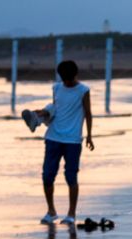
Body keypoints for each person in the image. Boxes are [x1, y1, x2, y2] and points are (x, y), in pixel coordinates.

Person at [21, 61, 94, 225]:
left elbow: (88, 113)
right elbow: (57, 108)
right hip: (53, 137)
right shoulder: (56, 88)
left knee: (71, 176)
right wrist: (47, 112)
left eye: (68, 79)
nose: (66, 83)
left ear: (75, 75)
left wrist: (89, 136)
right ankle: (51, 211)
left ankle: (71, 214)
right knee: (47, 176)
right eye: (64, 79)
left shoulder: (83, 91)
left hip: (73, 140)